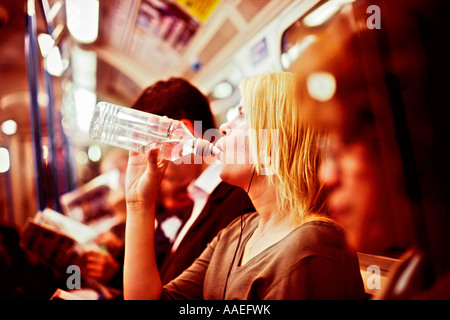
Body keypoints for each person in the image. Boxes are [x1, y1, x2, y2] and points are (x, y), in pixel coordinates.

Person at [123, 72, 366, 299]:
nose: (224, 128)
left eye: (243, 116)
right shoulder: (236, 233)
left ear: (274, 142)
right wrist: (138, 204)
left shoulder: (312, 246)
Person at [293, 1, 450, 299]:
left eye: (347, 142)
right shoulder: (415, 272)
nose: (327, 175)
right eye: (327, 149)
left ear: (412, 138)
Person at [130, 77, 254, 282]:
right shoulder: (195, 201)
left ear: (181, 134)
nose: (148, 160)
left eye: (150, 146)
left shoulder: (240, 201)